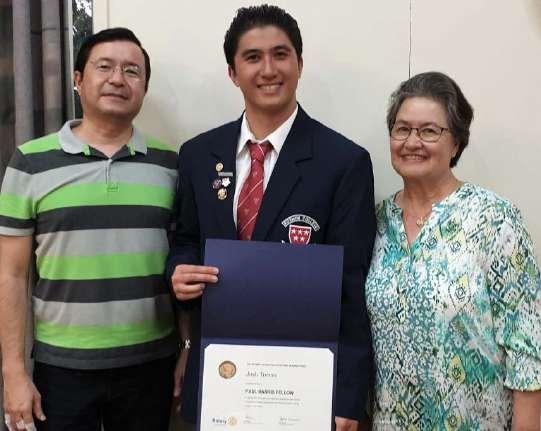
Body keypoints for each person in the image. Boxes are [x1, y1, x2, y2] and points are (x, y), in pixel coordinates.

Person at [167, 4, 375, 430]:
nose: (268, 69)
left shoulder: (343, 162)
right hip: (220, 373)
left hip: (303, 382)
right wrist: (178, 271)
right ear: (233, 72)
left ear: (300, 64)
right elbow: (185, 239)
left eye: (281, 54)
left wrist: (348, 395)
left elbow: (353, 286)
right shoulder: (198, 154)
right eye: (252, 57)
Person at [0, 28, 178, 431]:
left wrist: (186, 347)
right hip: (62, 366)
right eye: (105, 67)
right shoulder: (30, 163)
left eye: (132, 71)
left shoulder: (170, 164)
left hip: (151, 364)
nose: (118, 79)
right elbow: (10, 274)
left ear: (144, 88)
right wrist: (13, 372)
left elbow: (182, 261)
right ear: (78, 79)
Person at [366, 71, 541, 429]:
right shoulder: (374, 223)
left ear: (456, 143)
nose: (412, 142)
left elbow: (527, 349)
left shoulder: (493, 219)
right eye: (402, 129)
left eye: (429, 131)